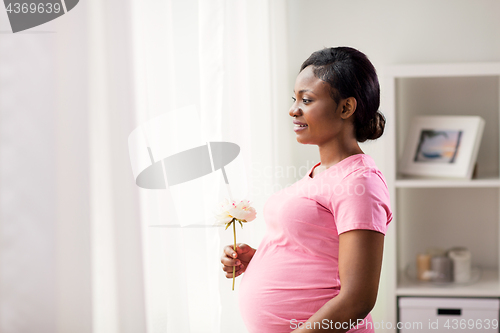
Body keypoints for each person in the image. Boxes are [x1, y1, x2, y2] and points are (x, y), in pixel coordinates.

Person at [221, 46, 393, 333]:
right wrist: (261, 256)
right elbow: (315, 246)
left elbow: (358, 298)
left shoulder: (360, 182)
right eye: (294, 98)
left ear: (346, 108)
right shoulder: (321, 173)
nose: (293, 110)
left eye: (307, 100)